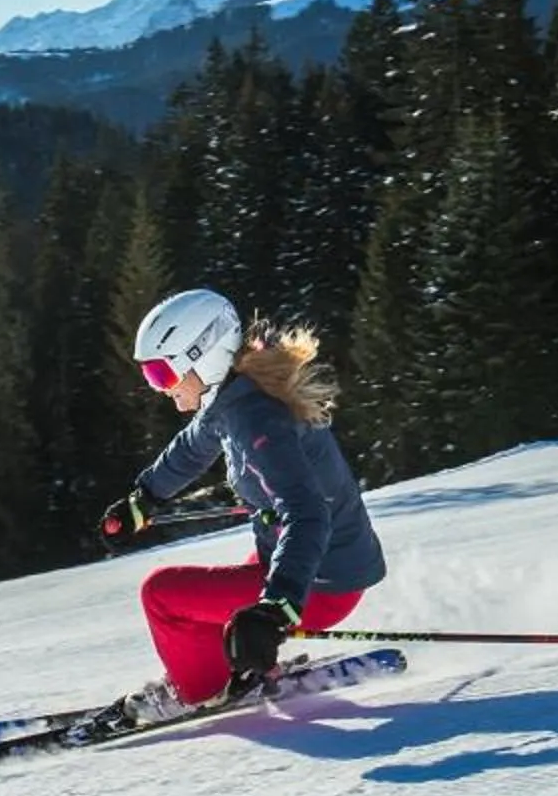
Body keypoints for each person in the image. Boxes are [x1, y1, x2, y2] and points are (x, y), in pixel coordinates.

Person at [102, 287, 387, 707]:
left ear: (202, 355)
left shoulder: (258, 420)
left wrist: (277, 608)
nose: (159, 389)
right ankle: (233, 668)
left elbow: (307, 515)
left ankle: (197, 693)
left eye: (162, 374)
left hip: (321, 581)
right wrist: (143, 499)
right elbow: (192, 447)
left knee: (161, 595)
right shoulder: (236, 395)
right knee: (203, 600)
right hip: (315, 562)